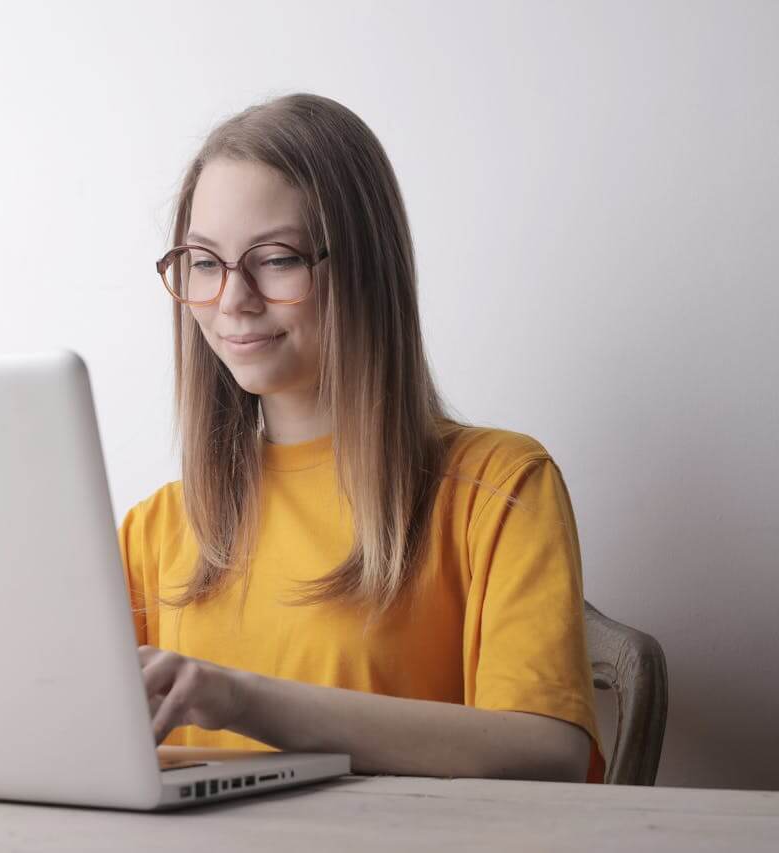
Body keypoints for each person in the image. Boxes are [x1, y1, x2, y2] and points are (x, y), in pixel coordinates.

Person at [117, 92, 605, 783]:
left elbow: (548, 753)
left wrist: (239, 698)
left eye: (276, 259)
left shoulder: (500, 486)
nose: (232, 299)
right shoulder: (156, 528)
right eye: (204, 262)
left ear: (363, 267)